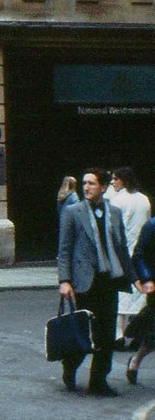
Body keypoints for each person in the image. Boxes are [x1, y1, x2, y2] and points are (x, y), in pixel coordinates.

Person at [58, 168, 140, 396]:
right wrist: (64, 280)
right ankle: (70, 366)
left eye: (92, 184)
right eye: (84, 183)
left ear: (103, 187)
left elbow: (122, 249)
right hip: (84, 283)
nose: (86, 188)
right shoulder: (73, 212)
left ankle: (98, 381)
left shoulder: (114, 213)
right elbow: (64, 250)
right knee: (82, 334)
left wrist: (135, 278)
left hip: (108, 282)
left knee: (106, 336)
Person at [106, 166, 151, 348]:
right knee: (140, 297)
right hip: (141, 251)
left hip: (123, 252)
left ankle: (119, 335)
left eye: (115, 179)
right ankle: (139, 335)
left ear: (123, 180)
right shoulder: (143, 199)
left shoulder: (117, 201)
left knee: (121, 296)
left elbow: (113, 229)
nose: (112, 182)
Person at [126, 217, 155, 383]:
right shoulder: (152, 225)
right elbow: (138, 255)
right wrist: (147, 278)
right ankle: (136, 359)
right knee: (153, 333)